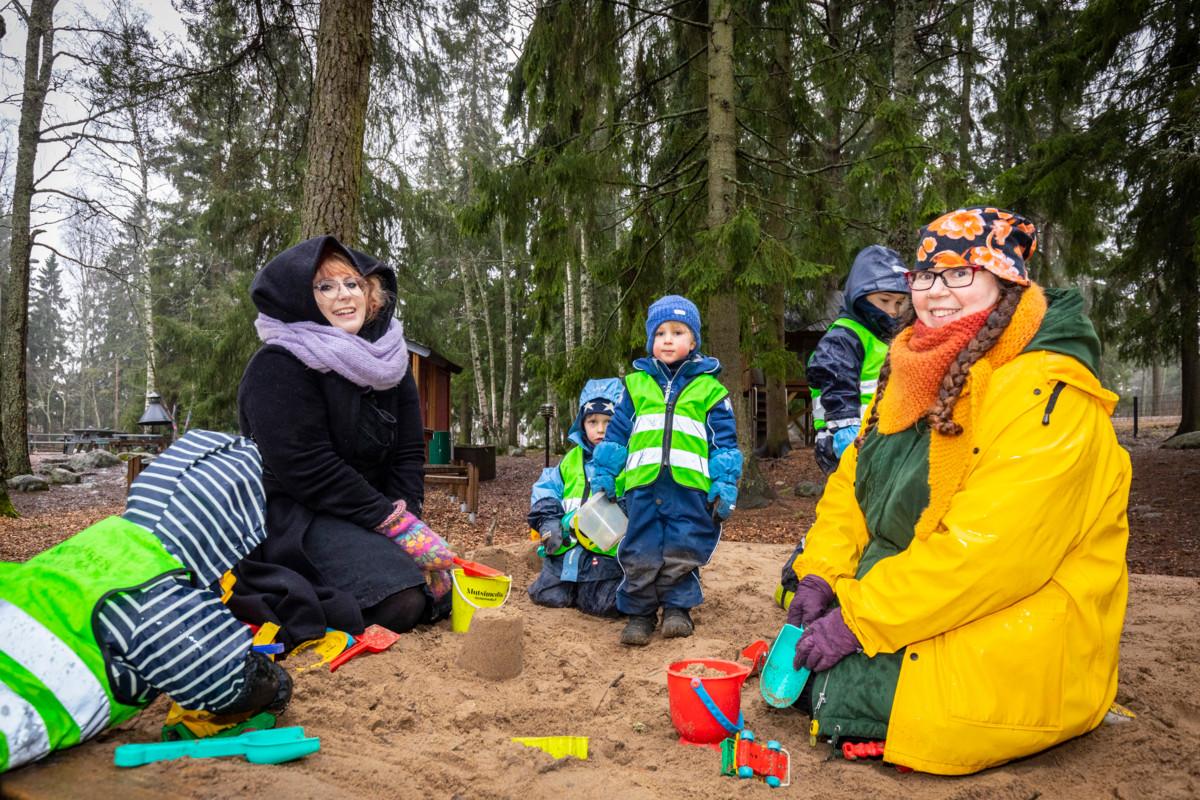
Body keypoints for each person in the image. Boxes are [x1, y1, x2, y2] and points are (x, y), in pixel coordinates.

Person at [782, 207, 1130, 775]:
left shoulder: (1050, 392)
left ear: (1008, 281)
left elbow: (992, 553)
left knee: (859, 695)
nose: (935, 292)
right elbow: (853, 485)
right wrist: (820, 572)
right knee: (809, 667)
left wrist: (860, 618)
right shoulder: (913, 367)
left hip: (1022, 608)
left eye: (960, 273)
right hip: (915, 592)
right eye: (924, 275)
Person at [0, 431, 292, 772]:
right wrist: (274, 684)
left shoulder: (97, 543)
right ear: (223, 533)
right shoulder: (158, 590)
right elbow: (225, 680)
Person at [227, 236, 454, 649]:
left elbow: (407, 452)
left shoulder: (391, 362)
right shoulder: (278, 364)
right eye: (325, 287)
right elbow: (308, 469)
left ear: (371, 293)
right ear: (302, 299)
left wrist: (411, 520)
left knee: (437, 589)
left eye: (352, 283)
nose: (344, 296)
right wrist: (394, 526)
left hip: (371, 511)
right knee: (403, 603)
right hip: (300, 515)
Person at [591, 295, 741, 646]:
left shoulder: (711, 390)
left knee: (682, 548)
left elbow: (725, 444)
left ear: (693, 342)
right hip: (642, 487)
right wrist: (606, 474)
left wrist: (725, 484)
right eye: (660, 333)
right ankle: (640, 615)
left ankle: (677, 609)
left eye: (677, 332)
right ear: (650, 342)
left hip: (689, 490)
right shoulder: (635, 385)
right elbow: (616, 436)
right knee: (639, 550)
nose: (668, 339)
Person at [774, 245, 910, 610]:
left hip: (876, 443)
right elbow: (831, 377)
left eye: (899, 303)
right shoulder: (846, 334)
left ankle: (845, 579)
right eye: (884, 300)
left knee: (868, 516)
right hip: (846, 440)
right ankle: (794, 581)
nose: (892, 311)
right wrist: (844, 430)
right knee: (843, 513)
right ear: (860, 295)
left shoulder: (883, 340)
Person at [527, 378, 626, 617]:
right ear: (582, 424)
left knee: (603, 605)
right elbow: (546, 488)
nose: (600, 429)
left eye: (608, 422)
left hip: (605, 554)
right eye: (593, 421)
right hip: (566, 549)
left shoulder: (628, 461)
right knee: (547, 596)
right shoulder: (572, 460)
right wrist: (548, 521)